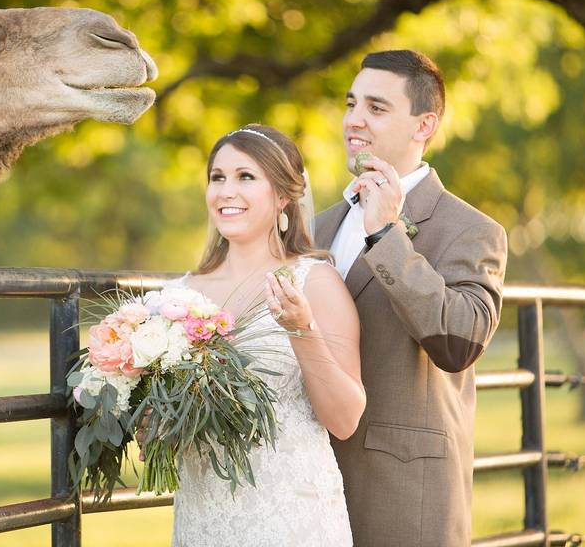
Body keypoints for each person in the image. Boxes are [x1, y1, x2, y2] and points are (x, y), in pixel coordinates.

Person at [315, 50, 508, 546]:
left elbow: (459, 341)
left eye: (376, 108)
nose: (354, 120)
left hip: (405, 499)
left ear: (424, 125)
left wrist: (386, 237)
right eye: (351, 103)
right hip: (309, 490)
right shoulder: (319, 226)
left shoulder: (470, 229)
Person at [168, 124, 365, 547]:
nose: (225, 190)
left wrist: (302, 330)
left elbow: (346, 419)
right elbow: (160, 439)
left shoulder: (315, 282)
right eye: (217, 177)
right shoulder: (178, 296)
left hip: (292, 517)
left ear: (282, 197)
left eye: (245, 176)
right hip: (203, 519)